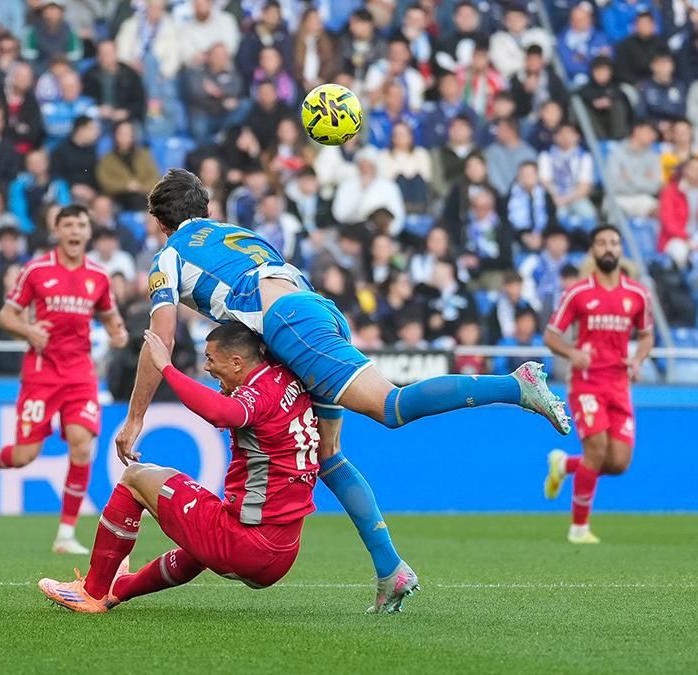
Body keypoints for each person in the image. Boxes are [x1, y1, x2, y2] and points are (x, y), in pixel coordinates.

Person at [117, 169, 570, 612]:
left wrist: (134, 419)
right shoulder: (237, 233)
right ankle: (390, 570)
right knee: (327, 455)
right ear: (206, 208)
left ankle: (515, 384)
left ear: (159, 222)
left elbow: (161, 341)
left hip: (291, 324)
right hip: (315, 311)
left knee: (391, 406)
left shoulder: (169, 256)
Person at [37, 323, 324, 613]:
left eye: (211, 359)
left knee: (135, 477)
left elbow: (220, 413)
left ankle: (92, 592)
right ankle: (120, 588)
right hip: (282, 552)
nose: (207, 367)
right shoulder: (285, 375)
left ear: (237, 362)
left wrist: (166, 367)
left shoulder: (259, 395)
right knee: (201, 537)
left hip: (247, 545)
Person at [0, 205, 129, 555]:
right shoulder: (37, 270)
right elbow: (6, 316)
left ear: (88, 232)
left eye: (81, 225)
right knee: (26, 454)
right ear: (57, 231)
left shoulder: (98, 276)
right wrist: (28, 331)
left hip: (80, 373)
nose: (75, 231)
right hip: (42, 373)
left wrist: (118, 332)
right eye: (68, 225)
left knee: (81, 444)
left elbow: (110, 316)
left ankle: (65, 535)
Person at [543, 225, 652, 545]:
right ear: (592, 250)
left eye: (614, 242)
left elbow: (647, 335)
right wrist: (572, 353)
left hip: (619, 384)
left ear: (621, 250)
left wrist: (638, 359)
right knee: (596, 450)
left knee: (618, 463)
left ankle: (564, 464)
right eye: (602, 242)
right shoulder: (578, 293)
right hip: (587, 383)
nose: (608, 248)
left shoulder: (637, 294)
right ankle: (578, 529)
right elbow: (551, 335)